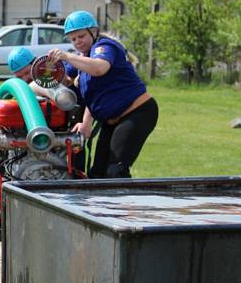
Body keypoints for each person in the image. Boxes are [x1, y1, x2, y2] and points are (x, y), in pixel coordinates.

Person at [47, 10, 158, 178]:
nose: (78, 42)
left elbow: (99, 68)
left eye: (81, 36)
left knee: (116, 170)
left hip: (137, 112)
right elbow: (76, 85)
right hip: (111, 120)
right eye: (73, 39)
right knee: (97, 174)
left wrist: (66, 56)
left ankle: (124, 204)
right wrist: (47, 72)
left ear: (94, 31)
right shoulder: (82, 58)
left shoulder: (105, 47)